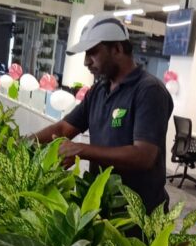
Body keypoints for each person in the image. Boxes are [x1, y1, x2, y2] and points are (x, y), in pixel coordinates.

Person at [34, 13, 174, 213]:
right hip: (103, 204)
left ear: (117, 48)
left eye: (92, 52)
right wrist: (24, 142)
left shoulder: (149, 91)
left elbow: (144, 156)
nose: (86, 62)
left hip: (138, 213)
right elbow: (64, 128)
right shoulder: (99, 91)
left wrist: (82, 150)